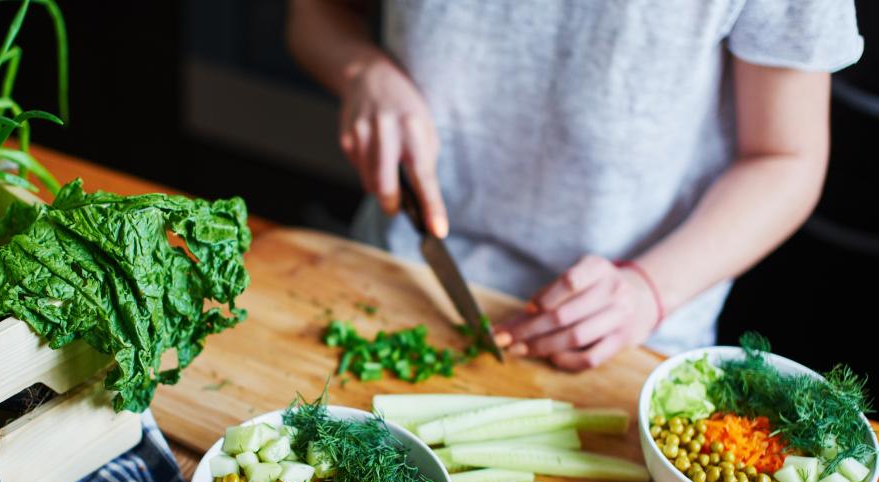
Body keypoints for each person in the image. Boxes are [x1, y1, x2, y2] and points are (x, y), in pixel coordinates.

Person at [286, 1, 863, 369]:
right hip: (392, 279)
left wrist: (645, 290)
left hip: (628, 340)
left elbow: (786, 158)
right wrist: (361, 70)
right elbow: (314, 16)